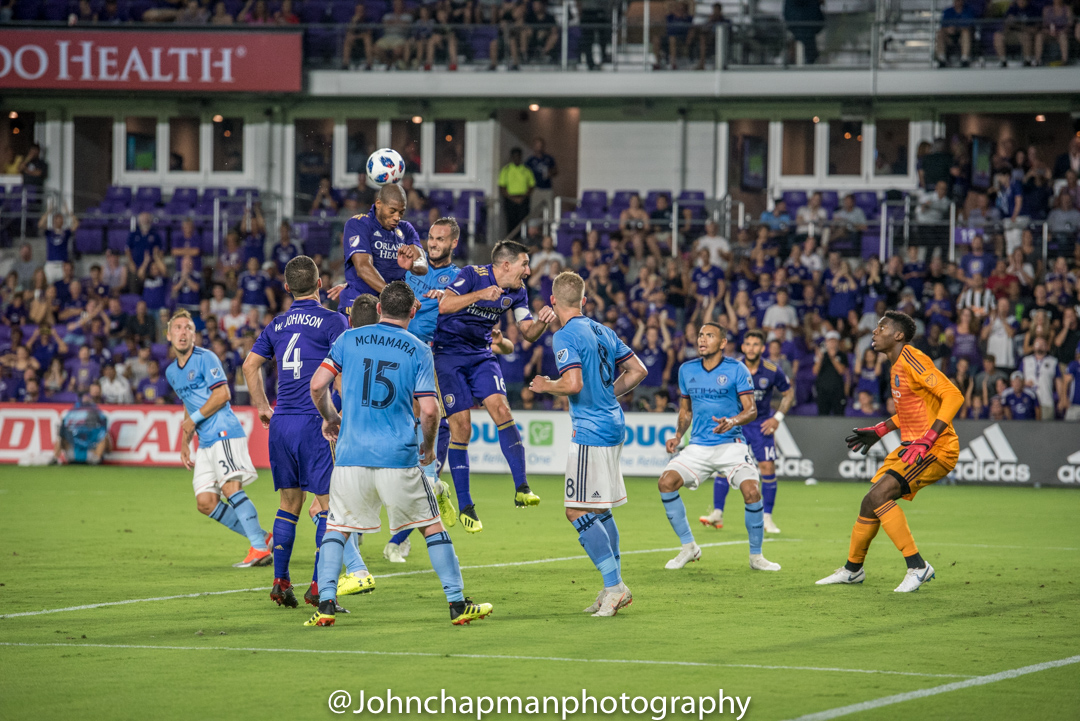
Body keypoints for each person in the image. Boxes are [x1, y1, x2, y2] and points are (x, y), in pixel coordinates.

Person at [306, 281, 492, 627]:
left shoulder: (348, 339)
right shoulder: (419, 349)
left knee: (337, 527)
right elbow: (431, 411)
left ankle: (327, 604)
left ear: (378, 308)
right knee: (431, 526)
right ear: (413, 311)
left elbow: (317, 385)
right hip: (397, 455)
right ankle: (456, 603)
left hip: (350, 456)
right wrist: (428, 446)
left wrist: (332, 419)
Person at [243, 256, 375, 609]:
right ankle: (319, 586)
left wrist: (261, 408)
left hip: (282, 421)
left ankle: (280, 581)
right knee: (331, 508)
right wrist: (344, 414)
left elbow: (249, 365)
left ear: (286, 288)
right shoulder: (334, 321)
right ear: (320, 283)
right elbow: (344, 369)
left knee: (289, 505)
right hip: (315, 422)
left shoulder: (277, 324)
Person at [527, 271, 646, 616]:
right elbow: (637, 370)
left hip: (591, 430)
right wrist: (609, 393)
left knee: (575, 510)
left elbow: (574, 384)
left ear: (552, 301)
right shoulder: (602, 329)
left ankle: (613, 586)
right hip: (613, 422)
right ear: (583, 299)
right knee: (599, 508)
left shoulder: (564, 335)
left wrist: (546, 385)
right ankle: (615, 585)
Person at [818, 311, 962, 592]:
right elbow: (911, 410)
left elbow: (953, 395)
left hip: (936, 447)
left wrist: (928, 439)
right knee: (869, 502)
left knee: (879, 495)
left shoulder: (912, 357)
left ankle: (917, 566)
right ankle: (852, 570)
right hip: (910, 447)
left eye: (881, 328)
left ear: (898, 335)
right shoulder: (896, 365)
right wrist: (881, 430)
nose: (874, 332)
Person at [433, 240, 557, 532]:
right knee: (462, 427)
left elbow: (527, 332)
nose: (527, 271)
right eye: (524, 264)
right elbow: (445, 304)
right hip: (448, 356)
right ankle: (465, 505)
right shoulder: (472, 275)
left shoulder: (518, 292)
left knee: (502, 409)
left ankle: (522, 488)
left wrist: (543, 322)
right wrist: (480, 295)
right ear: (506, 265)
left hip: (481, 355)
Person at [659, 322, 782, 573]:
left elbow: (751, 410)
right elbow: (685, 410)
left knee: (751, 492)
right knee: (666, 482)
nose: (702, 340)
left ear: (723, 343)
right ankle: (688, 547)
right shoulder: (686, 369)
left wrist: (733, 421)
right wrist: (678, 435)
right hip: (698, 448)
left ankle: (756, 557)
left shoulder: (737, 369)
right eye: (701, 335)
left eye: (710, 336)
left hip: (731, 446)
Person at [381, 217, 463, 563]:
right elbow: (414, 267)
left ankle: (429, 477)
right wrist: (408, 264)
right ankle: (430, 480)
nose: (433, 243)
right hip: (403, 349)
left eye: (441, 239)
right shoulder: (414, 271)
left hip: (435, 352)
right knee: (408, 424)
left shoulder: (458, 276)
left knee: (435, 419)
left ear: (453, 243)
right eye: (430, 237)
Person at [165, 309, 272, 568]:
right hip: (204, 440)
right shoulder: (171, 372)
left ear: (194, 335)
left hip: (224, 431)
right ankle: (263, 538)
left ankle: (259, 548)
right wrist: (185, 441)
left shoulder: (206, 358)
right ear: (168, 335)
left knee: (230, 489)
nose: (182, 332)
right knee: (205, 502)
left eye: (188, 328)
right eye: (177, 328)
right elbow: (187, 405)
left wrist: (192, 421)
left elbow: (223, 394)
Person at [701, 330, 794, 534]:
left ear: (762, 348)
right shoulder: (730, 368)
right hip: (737, 423)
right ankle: (717, 513)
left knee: (767, 468)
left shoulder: (772, 369)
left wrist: (776, 418)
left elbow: (789, 393)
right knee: (724, 467)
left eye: (755, 345)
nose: (751, 348)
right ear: (743, 347)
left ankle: (767, 518)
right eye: (748, 344)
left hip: (761, 424)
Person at [333, 183, 427, 318]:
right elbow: (363, 267)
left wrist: (412, 264)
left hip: (391, 310)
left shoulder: (406, 229)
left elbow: (422, 263)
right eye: (392, 211)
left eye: (401, 212)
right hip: (361, 305)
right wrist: (393, 297)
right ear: (378, 204)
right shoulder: (358, 224)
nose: (397, 217)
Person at [52, 396, 111, 465]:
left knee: (104, 436)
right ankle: (55, 458)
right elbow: (63, 431)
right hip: (73, 452)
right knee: (60, 436)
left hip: (91, 454)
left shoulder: (95, 430)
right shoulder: (73, 429)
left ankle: (96, 459)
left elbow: (109, 449)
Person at [1021, 336, 1063, 421]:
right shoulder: (1026, 361)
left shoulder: (1053, 361)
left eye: (1043, 344)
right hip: (1028, 402)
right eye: (1037, 344)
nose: (1040, 346)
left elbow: (1058, 382)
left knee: (1046, 430)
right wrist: (1024, 384)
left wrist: (1061, 399)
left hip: (1046, 400)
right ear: (1033, 346)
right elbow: (1018, 379)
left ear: (1047, 347)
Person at [498, 147, 535, 238]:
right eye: (514, 156)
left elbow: (531, 185)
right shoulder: (506, 170)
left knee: (523, 222)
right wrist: (513, 198)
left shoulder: (526, 170)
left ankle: (523, 240)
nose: (516, 158)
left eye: (518, 156)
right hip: (510, 200)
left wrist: (523, 197)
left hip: (523, 199)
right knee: (511, 222)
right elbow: (502, 187)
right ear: (511, 157)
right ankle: (511, 241)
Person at [525, 137, 557, 221]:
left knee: (550, 212)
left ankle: (550, 231)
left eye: (540, 145)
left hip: (547, 188)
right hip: (536, 189)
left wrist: (551, 173)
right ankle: (533, 232)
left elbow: (555, 171)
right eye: (537, 145)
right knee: (534, 212)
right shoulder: (530, 160)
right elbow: (525, 175)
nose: (538, 147)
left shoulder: (549, 158)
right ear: (534, 146)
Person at [935, 0, 974, 67]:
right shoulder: (948, 11)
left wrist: (956, 28)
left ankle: (964, 59)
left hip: (962, 37)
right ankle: (941, 59)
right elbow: (943, 25)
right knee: (940, 33)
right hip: (950, 37)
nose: (957, 2)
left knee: (965, 32)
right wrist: (948, 29)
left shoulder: (968, 11)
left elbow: (969, 26)